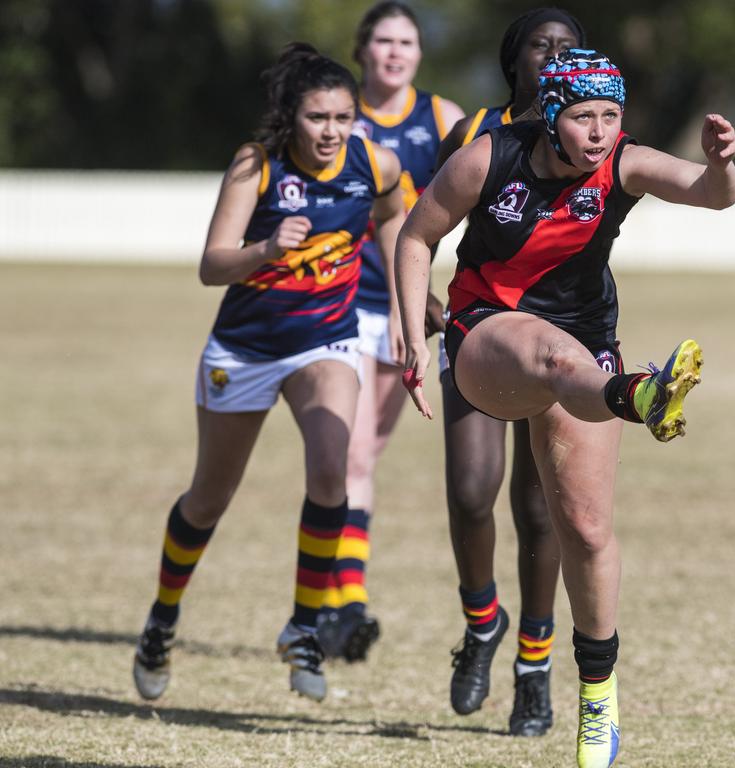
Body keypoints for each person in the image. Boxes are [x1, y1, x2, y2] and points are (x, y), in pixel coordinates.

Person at [395, 49, 735, 768]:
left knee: (583, 530)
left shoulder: (623, 162)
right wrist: (410, 337)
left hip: (590, 351)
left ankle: (597, 694)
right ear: (551, 114)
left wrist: (722, 162)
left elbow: (712, 195)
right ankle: (639, 394)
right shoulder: (487, 160)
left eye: (612, 116)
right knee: (551, 358)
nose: (599, 132)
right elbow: (416, 236)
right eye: (584, 116)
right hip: (487, 334)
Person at [130, 42, 404, 704]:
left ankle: (303, 628)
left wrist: (402, 294)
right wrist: (263, 249)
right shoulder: (257, 164)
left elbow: (397, 215)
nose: (332, 131)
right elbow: (211, 265)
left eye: (343, 117)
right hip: (244, 349)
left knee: (333, 468)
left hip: (327, 343)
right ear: (292, 116)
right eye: (318, 118)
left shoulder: (376, 161)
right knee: (209, 498)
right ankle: (162, 618)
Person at [431, 8, 585, 739]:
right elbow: (417, 217)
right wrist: (414, 297)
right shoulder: (475, 135)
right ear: (513, 60)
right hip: (478, 329)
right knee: (469, 494)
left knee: (538, 508)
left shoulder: (593, 130)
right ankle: (481, 621)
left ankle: (533, 664)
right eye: (540, 46)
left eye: (567, 47)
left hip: (564, 335)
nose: (554, 56)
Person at [316, 0, 465, 662]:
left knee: (363, 455)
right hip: (342, 305)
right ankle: (346, 603)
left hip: (409, 309)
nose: (395, 51)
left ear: (418, 53)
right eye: (383, 40)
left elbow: (487, 191)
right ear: (363, 49)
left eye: (406, 40)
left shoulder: (444, 119)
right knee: (345, 456)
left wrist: (433, 298)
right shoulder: (334, 116)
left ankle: (334, 597)